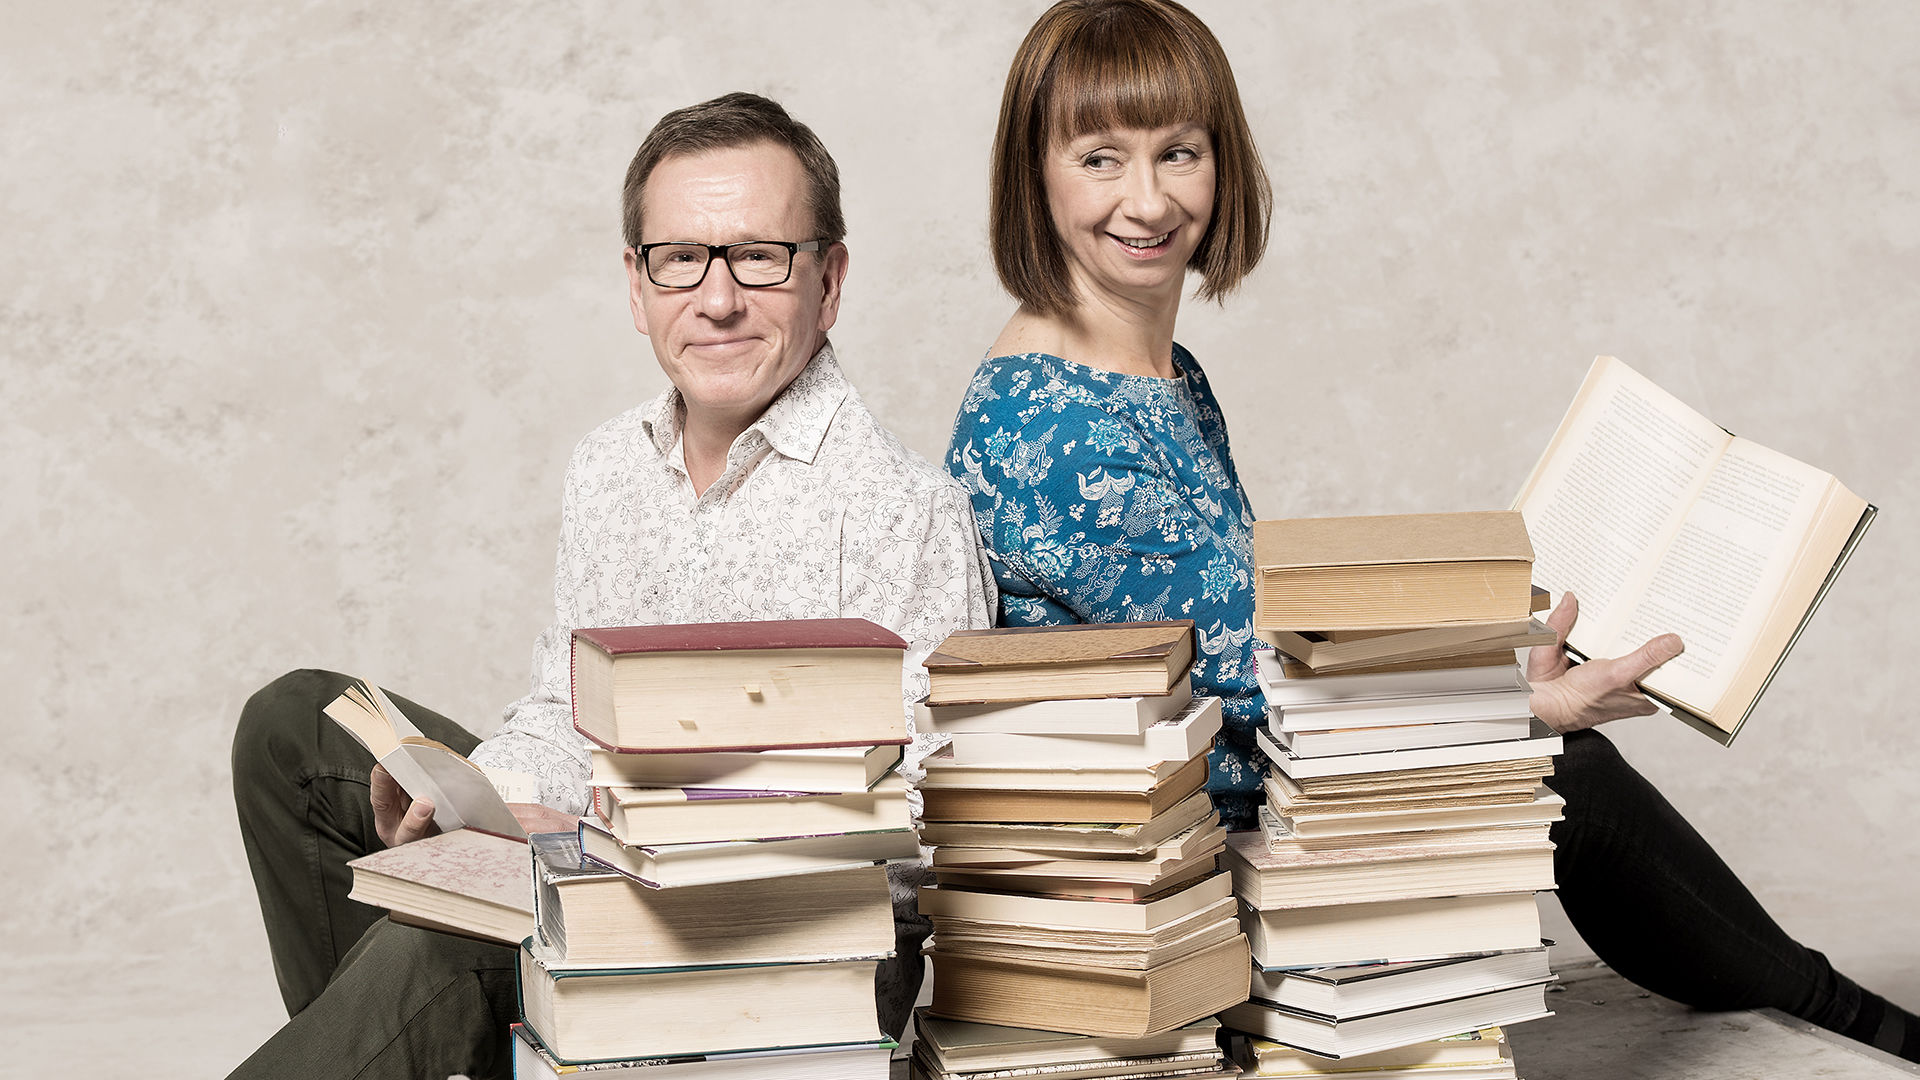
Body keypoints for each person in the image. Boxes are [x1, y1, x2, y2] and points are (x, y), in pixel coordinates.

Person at [945, 0, 1918, 1062]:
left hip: (1237, 803)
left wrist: (1498, 683)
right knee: (1570, 775)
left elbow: (1255, 636)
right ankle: (1855, 1021)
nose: (1148, 199)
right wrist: (1513, 708)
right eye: (1100, 159)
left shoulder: (1160, 372)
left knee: (1556, 758)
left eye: (1179, 151)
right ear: (1034, 176)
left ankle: (1831, 1012)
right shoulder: (1055, 423)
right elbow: (1264, 687)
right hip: (1166, 882)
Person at [229, 92, 995, 1080]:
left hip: (776, 952)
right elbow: (565, 709)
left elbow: (926, 834)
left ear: (830, 279)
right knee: (293, 727)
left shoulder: (908, 510)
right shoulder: (608, 468)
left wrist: (602, 844)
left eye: (759, 257)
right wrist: (482, 795)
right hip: (591, 864)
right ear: (637, 287)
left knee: (451, 938)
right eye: (681, 259)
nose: (717, 299)